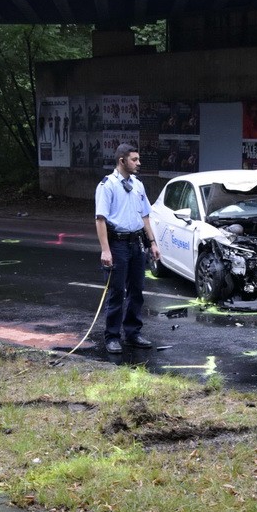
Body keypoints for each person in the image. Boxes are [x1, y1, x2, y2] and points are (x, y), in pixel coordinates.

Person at [95, 143, 160, 354]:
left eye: (138, 159)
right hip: (118, 245)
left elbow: (145, 216)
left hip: (136, 243)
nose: (138, 163)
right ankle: (112, 337)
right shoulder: (107, 185)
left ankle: (132, 333)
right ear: (122, 161)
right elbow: (101, 220)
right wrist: (106, 250)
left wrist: (152, 243)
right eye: (134, 160)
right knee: (116, 291)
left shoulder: (138, 185)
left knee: (136, 290)